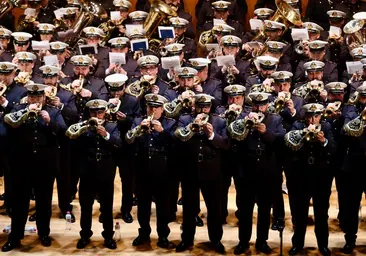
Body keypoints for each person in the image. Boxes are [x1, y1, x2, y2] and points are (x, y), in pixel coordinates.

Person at [2, 83, 67, 252]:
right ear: (28, 97)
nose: (35, 100)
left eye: (38, 97)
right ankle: (15, 237)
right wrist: (24, 113)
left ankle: (44, 234)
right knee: (19, 202)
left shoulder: (53, 111)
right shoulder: (18, 108)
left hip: (45, 165)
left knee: (44, 202)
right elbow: (8, 125)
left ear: (44, 98)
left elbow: (63, 132)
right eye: (32, 97)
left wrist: (49, 121)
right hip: (21, 163)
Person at [230, 92, 285, 255]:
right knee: (245, 210)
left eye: (262, 105)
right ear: (251, 105)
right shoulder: (243, 118)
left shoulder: (275, 120)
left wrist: (265, 132)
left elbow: (280, 140)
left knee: (264, 210)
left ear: (267, 105)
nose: (259, 108)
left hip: (267, 171)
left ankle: (262, 241)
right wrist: (246, 126)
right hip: (247, 171)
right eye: (256, 105)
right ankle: (243, 241)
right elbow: (234, 139)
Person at [174, 93, 228, 253]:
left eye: (206, 107)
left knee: (214, 208)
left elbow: (225, 144)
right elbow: (178, 138)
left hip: (211, 169)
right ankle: (187, 239)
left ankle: (216, 240)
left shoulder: (219, 121)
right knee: (189, 209)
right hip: (190, 168)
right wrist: (191, 129)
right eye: (200, 106)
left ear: (210, 107)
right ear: (194, 106)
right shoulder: (185, 119)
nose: (203, 110)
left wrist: (211, 134)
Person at [65, 99, 122, 250]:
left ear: (105, 113)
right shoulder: (83, 126)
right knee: (85, 206)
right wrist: (83, 129)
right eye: (94, 112)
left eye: (100, 112)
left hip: (105, 170)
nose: (97, 115)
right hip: (87, 171)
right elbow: (72, 142)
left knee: (107, 206)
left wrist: (106, 135)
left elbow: (119, 144)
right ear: (89, 113)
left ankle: (108, 236)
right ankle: (85, 235)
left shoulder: (112, 125)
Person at [285, 103, 336, 256]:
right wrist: (303, 133)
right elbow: (289, 144)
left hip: (321, 177)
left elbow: (333, 148)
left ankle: (323, 245)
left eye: (316, 116)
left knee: (321, 213)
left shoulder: (326, 127)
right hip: (301, 176)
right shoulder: (297, 125)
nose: (313, 120)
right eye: (310, 116)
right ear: (305, 116)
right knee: (300, 214)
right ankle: (297, 244)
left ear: (321, 116)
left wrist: (323, 141)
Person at [126, 93, 176, 248]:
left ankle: (163, 236)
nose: (153, 110)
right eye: (150, 107)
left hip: (162, 168)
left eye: (156, 107)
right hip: (142, 168)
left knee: (163, 205)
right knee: (143, 205)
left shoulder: (170, 123)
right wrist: (139, 130)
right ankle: (144, 233)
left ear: (162, 108)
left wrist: (161, 131)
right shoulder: (137, 121)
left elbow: (175, 144)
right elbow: (128, 140)